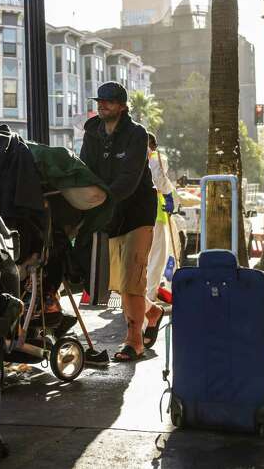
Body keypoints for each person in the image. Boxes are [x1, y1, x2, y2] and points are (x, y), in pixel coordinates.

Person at [80, 81, 164, 362]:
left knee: (131, 278)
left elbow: (128, 179)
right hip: (108, 215)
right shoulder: (92, 132)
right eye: (100, 101)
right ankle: (152, 312)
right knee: (118, 283)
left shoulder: (136, 134)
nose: (102, 105)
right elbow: (85, 170)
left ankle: (134, 341)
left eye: (109, 101)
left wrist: (100, 198)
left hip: (137, 213)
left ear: (123, 106)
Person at [146, 133, 178, 302]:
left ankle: (140, 295)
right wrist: (168, 195)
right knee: (157, 256)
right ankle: (150, 297)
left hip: (139, 213)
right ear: (153, 146)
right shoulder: (155, 158)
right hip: (156, 212)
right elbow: (160, 178)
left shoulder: (130, 157)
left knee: (143, 257)